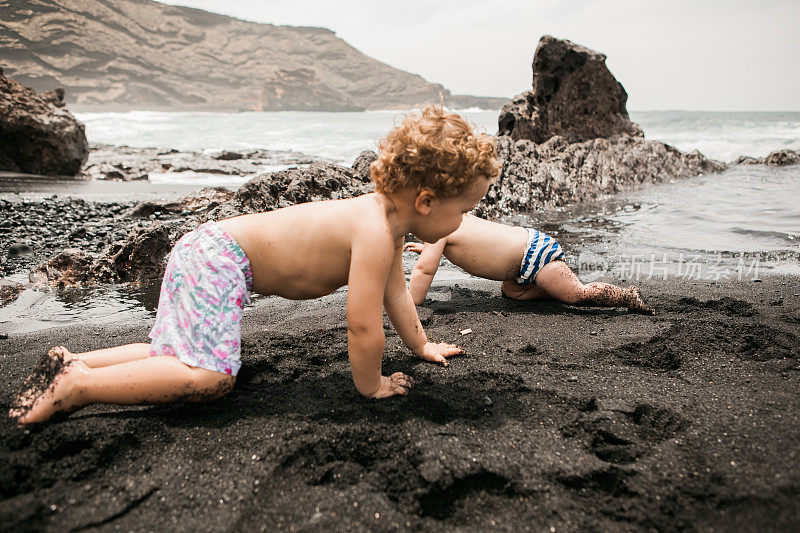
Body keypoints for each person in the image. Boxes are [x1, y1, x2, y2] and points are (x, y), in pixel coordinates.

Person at [9, 105, 500, 425]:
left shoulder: (385, 226)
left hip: (208, 249)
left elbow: (396, 295)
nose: (466, 220)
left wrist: (420, 344)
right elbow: (362, 324)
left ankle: (78, 360)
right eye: (464, 209)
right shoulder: (373, 233)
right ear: (426, 200)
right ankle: (82, 385)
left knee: (174, 349)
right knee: (211, 378)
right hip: (218, 260)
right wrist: (371, 386)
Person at [404, 214, 653, 313]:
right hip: (518, 264)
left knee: (577, 294)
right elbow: (468, 242)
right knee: (512, 293)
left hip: (534, 255)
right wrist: (428, 249)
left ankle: (627, 296)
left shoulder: (438, 228)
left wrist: (412, 300)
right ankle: (554, 289)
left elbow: (425, 269)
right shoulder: (446, 222)